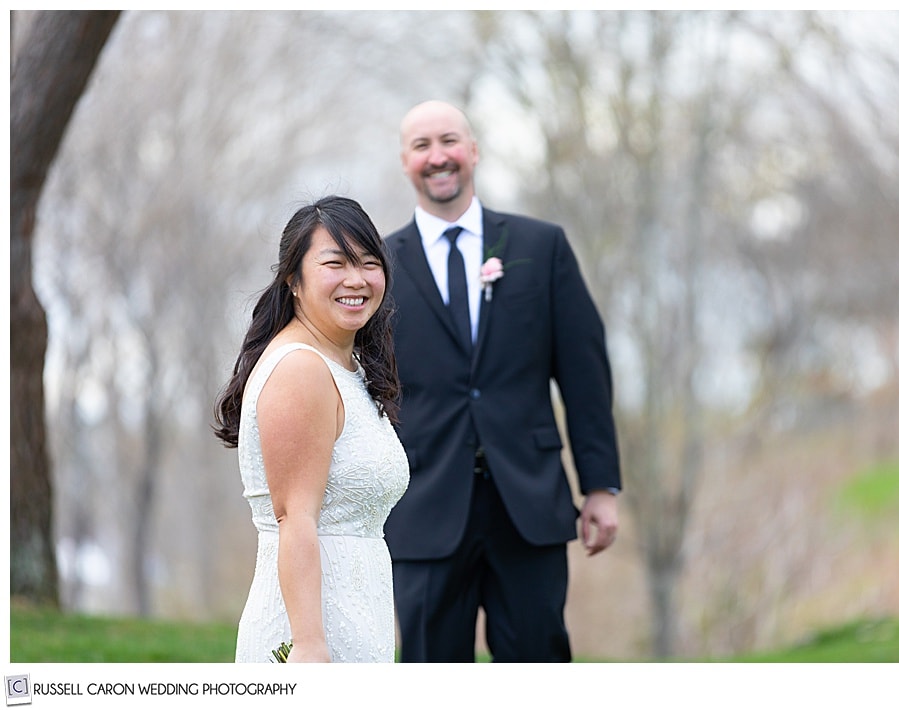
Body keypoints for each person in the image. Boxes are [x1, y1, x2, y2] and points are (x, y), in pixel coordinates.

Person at [383, 99, 622, 662]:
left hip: (530, 503)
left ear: (474, 151)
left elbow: (585, 374)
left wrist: (601, 487)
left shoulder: (542, 249)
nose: (438, 157)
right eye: (422, 146)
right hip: (423, 506)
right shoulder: (378, 268)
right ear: (404, 161)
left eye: (449, 141)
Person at [213, 195, 409, 663]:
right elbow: (294, 519)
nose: (356, 280)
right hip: (311, 634)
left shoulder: (349, 365)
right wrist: (308, 644)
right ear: (293, 280)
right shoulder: (300, 368)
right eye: (334, 263)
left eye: (368, 262)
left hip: (359, 621)